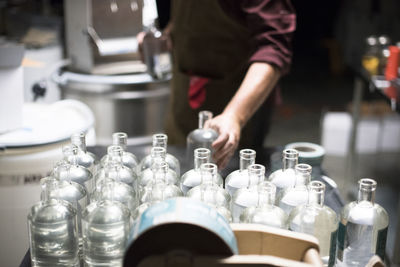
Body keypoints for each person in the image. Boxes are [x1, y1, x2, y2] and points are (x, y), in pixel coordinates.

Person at [148, 0, 296, 170]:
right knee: (179, 170)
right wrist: (166, 36)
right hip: (184, 96)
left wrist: (234, 115)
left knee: (227, 178)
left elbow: (273, 48)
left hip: (234, 101)